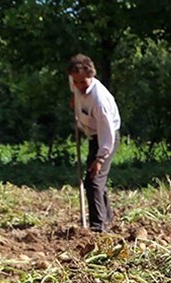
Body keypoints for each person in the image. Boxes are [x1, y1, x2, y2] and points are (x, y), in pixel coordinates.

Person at [67, 53, 121, 232]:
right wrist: (75, 99)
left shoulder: (100, 101)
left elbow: (107, 136)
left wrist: (100, 159)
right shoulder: (75, 82)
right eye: (76, 82)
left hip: (106, 138)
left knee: (93, 180)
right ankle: (106, 218)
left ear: (91, 75)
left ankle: (98, 228)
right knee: (97, 181)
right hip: (93, 136)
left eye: (83, 82)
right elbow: (74, 88)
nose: (79, 86)